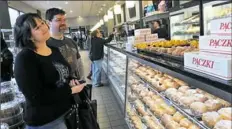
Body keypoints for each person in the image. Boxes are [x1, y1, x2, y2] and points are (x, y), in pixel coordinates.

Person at [13, 13, 85, 129]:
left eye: (42, 23)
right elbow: (36, 97)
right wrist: (70, 90)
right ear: (28, 36)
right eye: (37, 27)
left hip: (67, 112)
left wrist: (72, 80)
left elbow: (64, 74)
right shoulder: (25, 58)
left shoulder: (54, 50)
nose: (44, 27)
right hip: (46, 121)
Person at [45, 8, 85, 81]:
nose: (63, 23)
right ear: (48, 23)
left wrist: (82, 80)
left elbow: (79, 63)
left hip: (76, 84)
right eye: (58, 20)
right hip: (58, 88)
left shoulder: (71, 42)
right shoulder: (45, 44)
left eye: (64, 20)